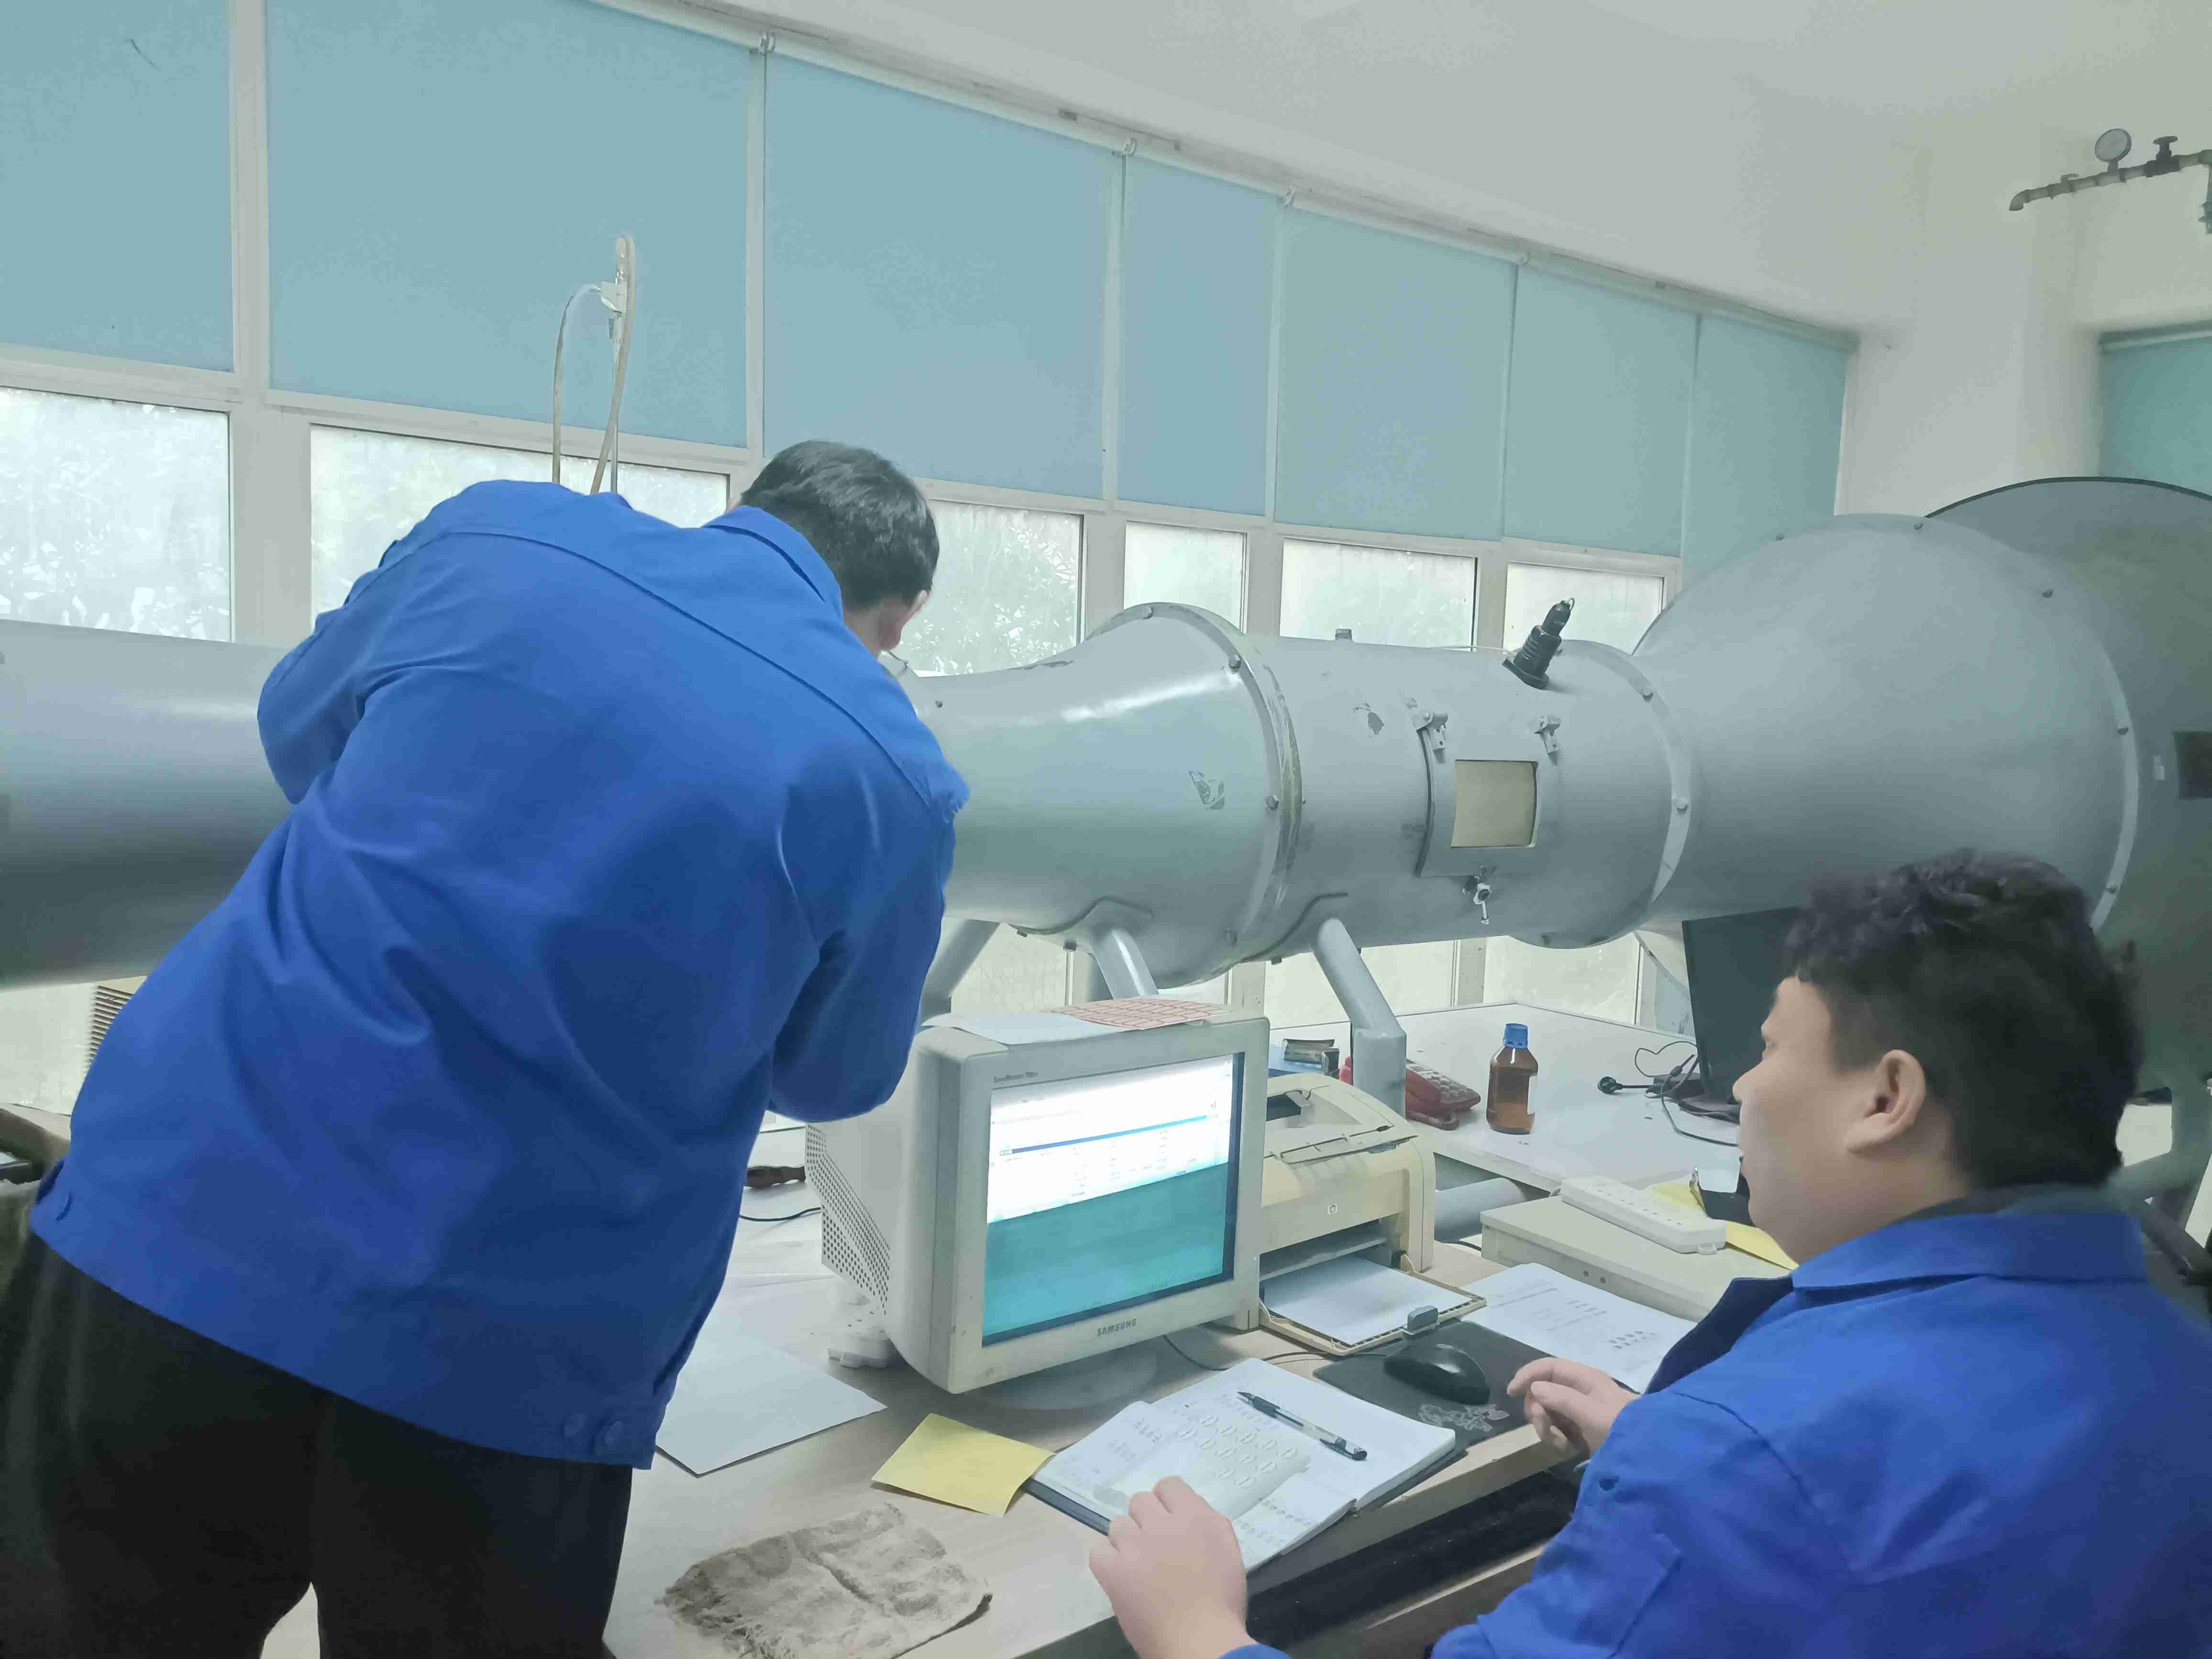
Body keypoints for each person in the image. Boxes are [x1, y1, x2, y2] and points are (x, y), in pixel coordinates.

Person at [0, 441, 965, 1657]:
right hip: (500, 1349)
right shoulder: (893, 773)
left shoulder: (498, 535)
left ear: (748, 508)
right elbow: (835, 1076)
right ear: (897, 618)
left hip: (175, 1228)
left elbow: (297, 732)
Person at [1091, 853, 2212, 1659]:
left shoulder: (1741, 1457)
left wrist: (1197, 1633)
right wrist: (1678, 1455)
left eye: (1767, 1049)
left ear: (1885, 1099)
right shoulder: (2174, 1351)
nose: (1744, 1086)